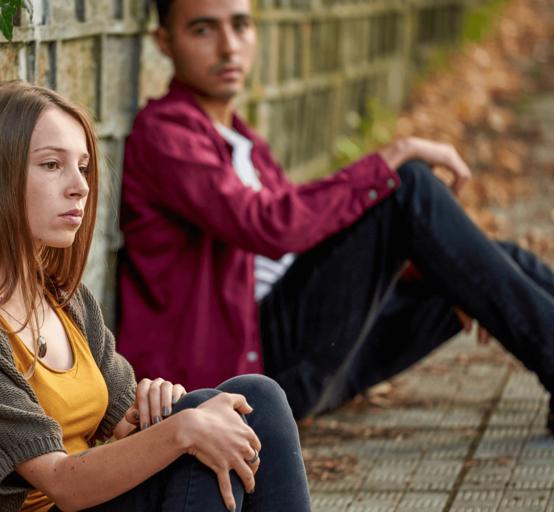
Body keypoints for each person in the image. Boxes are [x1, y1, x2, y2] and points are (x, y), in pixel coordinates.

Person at [116, 0, 554, 423]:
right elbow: (269, 225)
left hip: (326, 353)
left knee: (495, 262)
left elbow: (311, 238)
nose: (229, 46)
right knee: (408, 185)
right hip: (257, 376)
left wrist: (450, 272)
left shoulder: (243, 141)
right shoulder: (165, 135)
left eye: (241, 25)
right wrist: (394, 153)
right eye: (203, 29)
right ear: (165, 41)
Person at [0, 81, 311, 512]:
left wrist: (154, 409)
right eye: (52, 165)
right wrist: (180, 429)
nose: (80, 187)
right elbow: (62, 483)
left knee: (254, 397)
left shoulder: (65, 302)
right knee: (198, 429)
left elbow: (129, 424)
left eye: (84, 167)